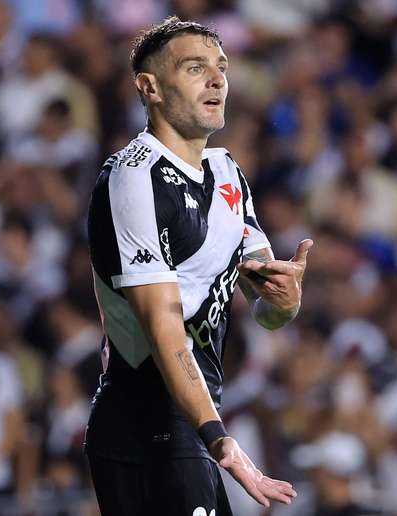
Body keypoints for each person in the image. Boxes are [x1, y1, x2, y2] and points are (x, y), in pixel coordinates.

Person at [84, 17, 307, 515]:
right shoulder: (132, 179)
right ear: (151, 87)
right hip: (147, 424)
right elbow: (163, 327)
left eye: (221, 67)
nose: (216, 79)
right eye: (194, 67)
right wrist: (221, 440)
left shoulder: (228, 172)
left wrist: (285, 302)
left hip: (194, 426)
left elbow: (265, 310)